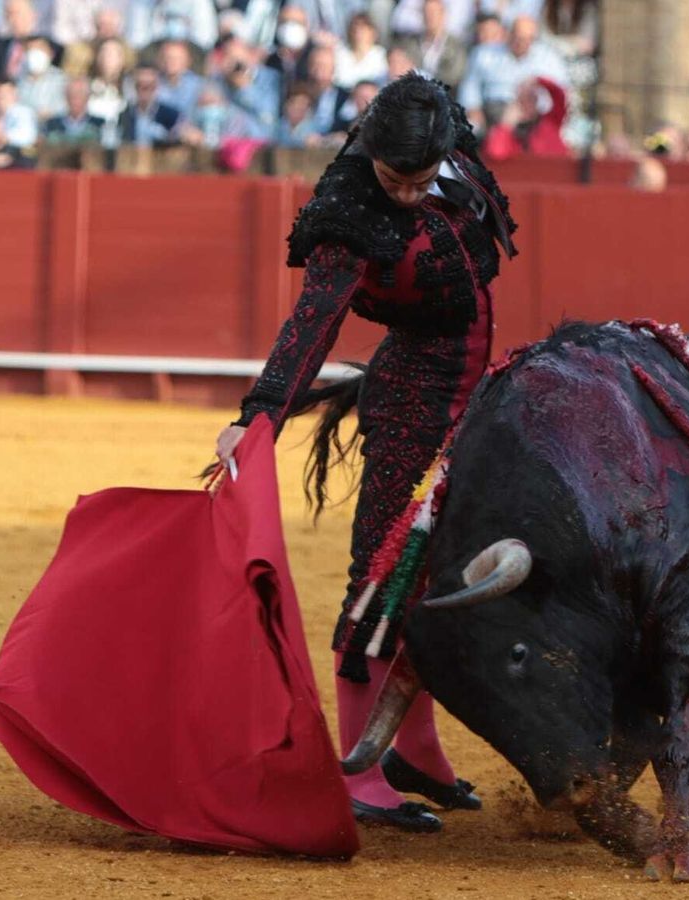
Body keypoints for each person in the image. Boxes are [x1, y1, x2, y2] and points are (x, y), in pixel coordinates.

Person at [211, 73, 517, 834]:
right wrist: (259, 417)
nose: (407, 195)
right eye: (393, 179)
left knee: (438, 569)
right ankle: (361, 767)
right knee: (383, 570)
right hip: (416, 395)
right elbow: (311, 323)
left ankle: (417, 753)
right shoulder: (348, 212)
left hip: (473, 390)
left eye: (420, 180)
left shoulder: (443, 130)